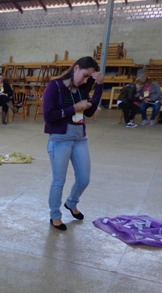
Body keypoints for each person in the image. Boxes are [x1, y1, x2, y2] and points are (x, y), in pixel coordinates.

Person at [43, 56, 103, 231]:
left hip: (79, 139)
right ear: (75, 69)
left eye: (88, 78)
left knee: (84, 179)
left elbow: (90, 112)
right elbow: (48, 116)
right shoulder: (54, 86)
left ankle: (71, 202)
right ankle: (55, 215)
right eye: (84, 75)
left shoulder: (82, 88)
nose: (85, 80)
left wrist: (98, 86)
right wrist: (74, 108)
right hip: (59, 140)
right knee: (58, 181)